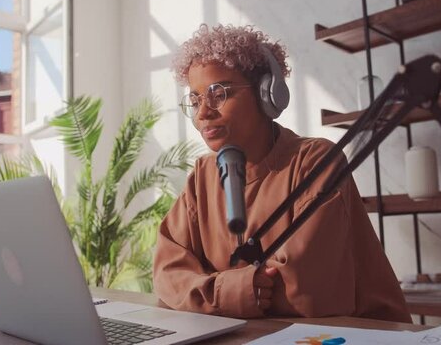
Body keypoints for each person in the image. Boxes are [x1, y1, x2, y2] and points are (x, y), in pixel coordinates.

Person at [153, 23, 411, 322]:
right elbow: (167, 273)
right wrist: (236, 289)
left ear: (268, 94)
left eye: (218, 93)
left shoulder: (315, 161)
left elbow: (307, 291)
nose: (203, 113)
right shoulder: (202, 175)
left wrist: (203, 289)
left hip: (358, 335)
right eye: (196, 100)